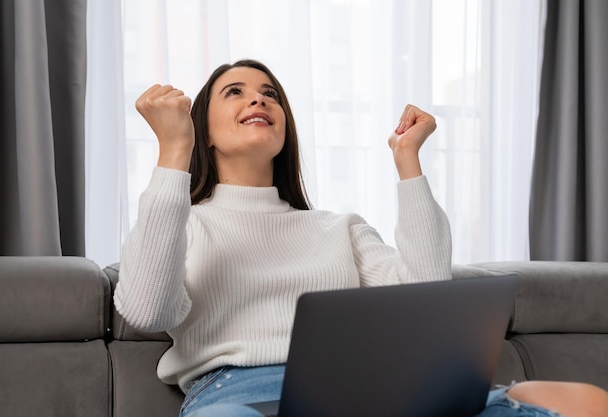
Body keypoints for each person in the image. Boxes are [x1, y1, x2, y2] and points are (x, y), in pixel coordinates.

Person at [114, 59, 608, 417]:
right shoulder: (182, 221)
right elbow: (147, 310)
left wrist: (408, 160)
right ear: (205, 133)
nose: (259, 99)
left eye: (270, 93)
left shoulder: (338, 227)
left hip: (369, 392)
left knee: (588, 402)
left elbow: (426, 290)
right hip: (238, 397)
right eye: (235, 92)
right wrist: (173, 150)